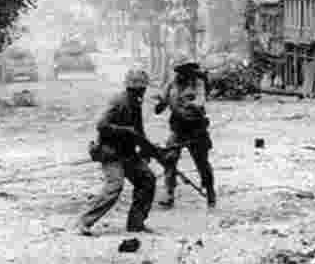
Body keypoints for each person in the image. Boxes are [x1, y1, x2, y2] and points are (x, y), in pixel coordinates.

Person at [78, 67, 158, 235]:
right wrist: (125, 131)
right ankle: (85, 221)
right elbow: (101, 125)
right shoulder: (118, 101)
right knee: (115, 186)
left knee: (147, 179)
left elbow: (138, 130)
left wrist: (148, 150)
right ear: (128, 88)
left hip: (127, 153)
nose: (139, 92)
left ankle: (136, 223)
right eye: (135, 89)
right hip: (111, 152)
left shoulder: (136, 103)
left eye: (141, 89)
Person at [154, 54, 216, 209]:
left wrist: (192, 104)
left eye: (188, 69)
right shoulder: (172, 84)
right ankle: (168, 192)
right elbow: (161, 103)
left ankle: (210, 191)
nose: (184, 73)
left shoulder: (198, 83)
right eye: (181, 70)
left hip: (196, 128)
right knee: (170, 158)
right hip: (178, 128)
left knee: (201, 162)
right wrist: (161, 103)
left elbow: (200, 100)